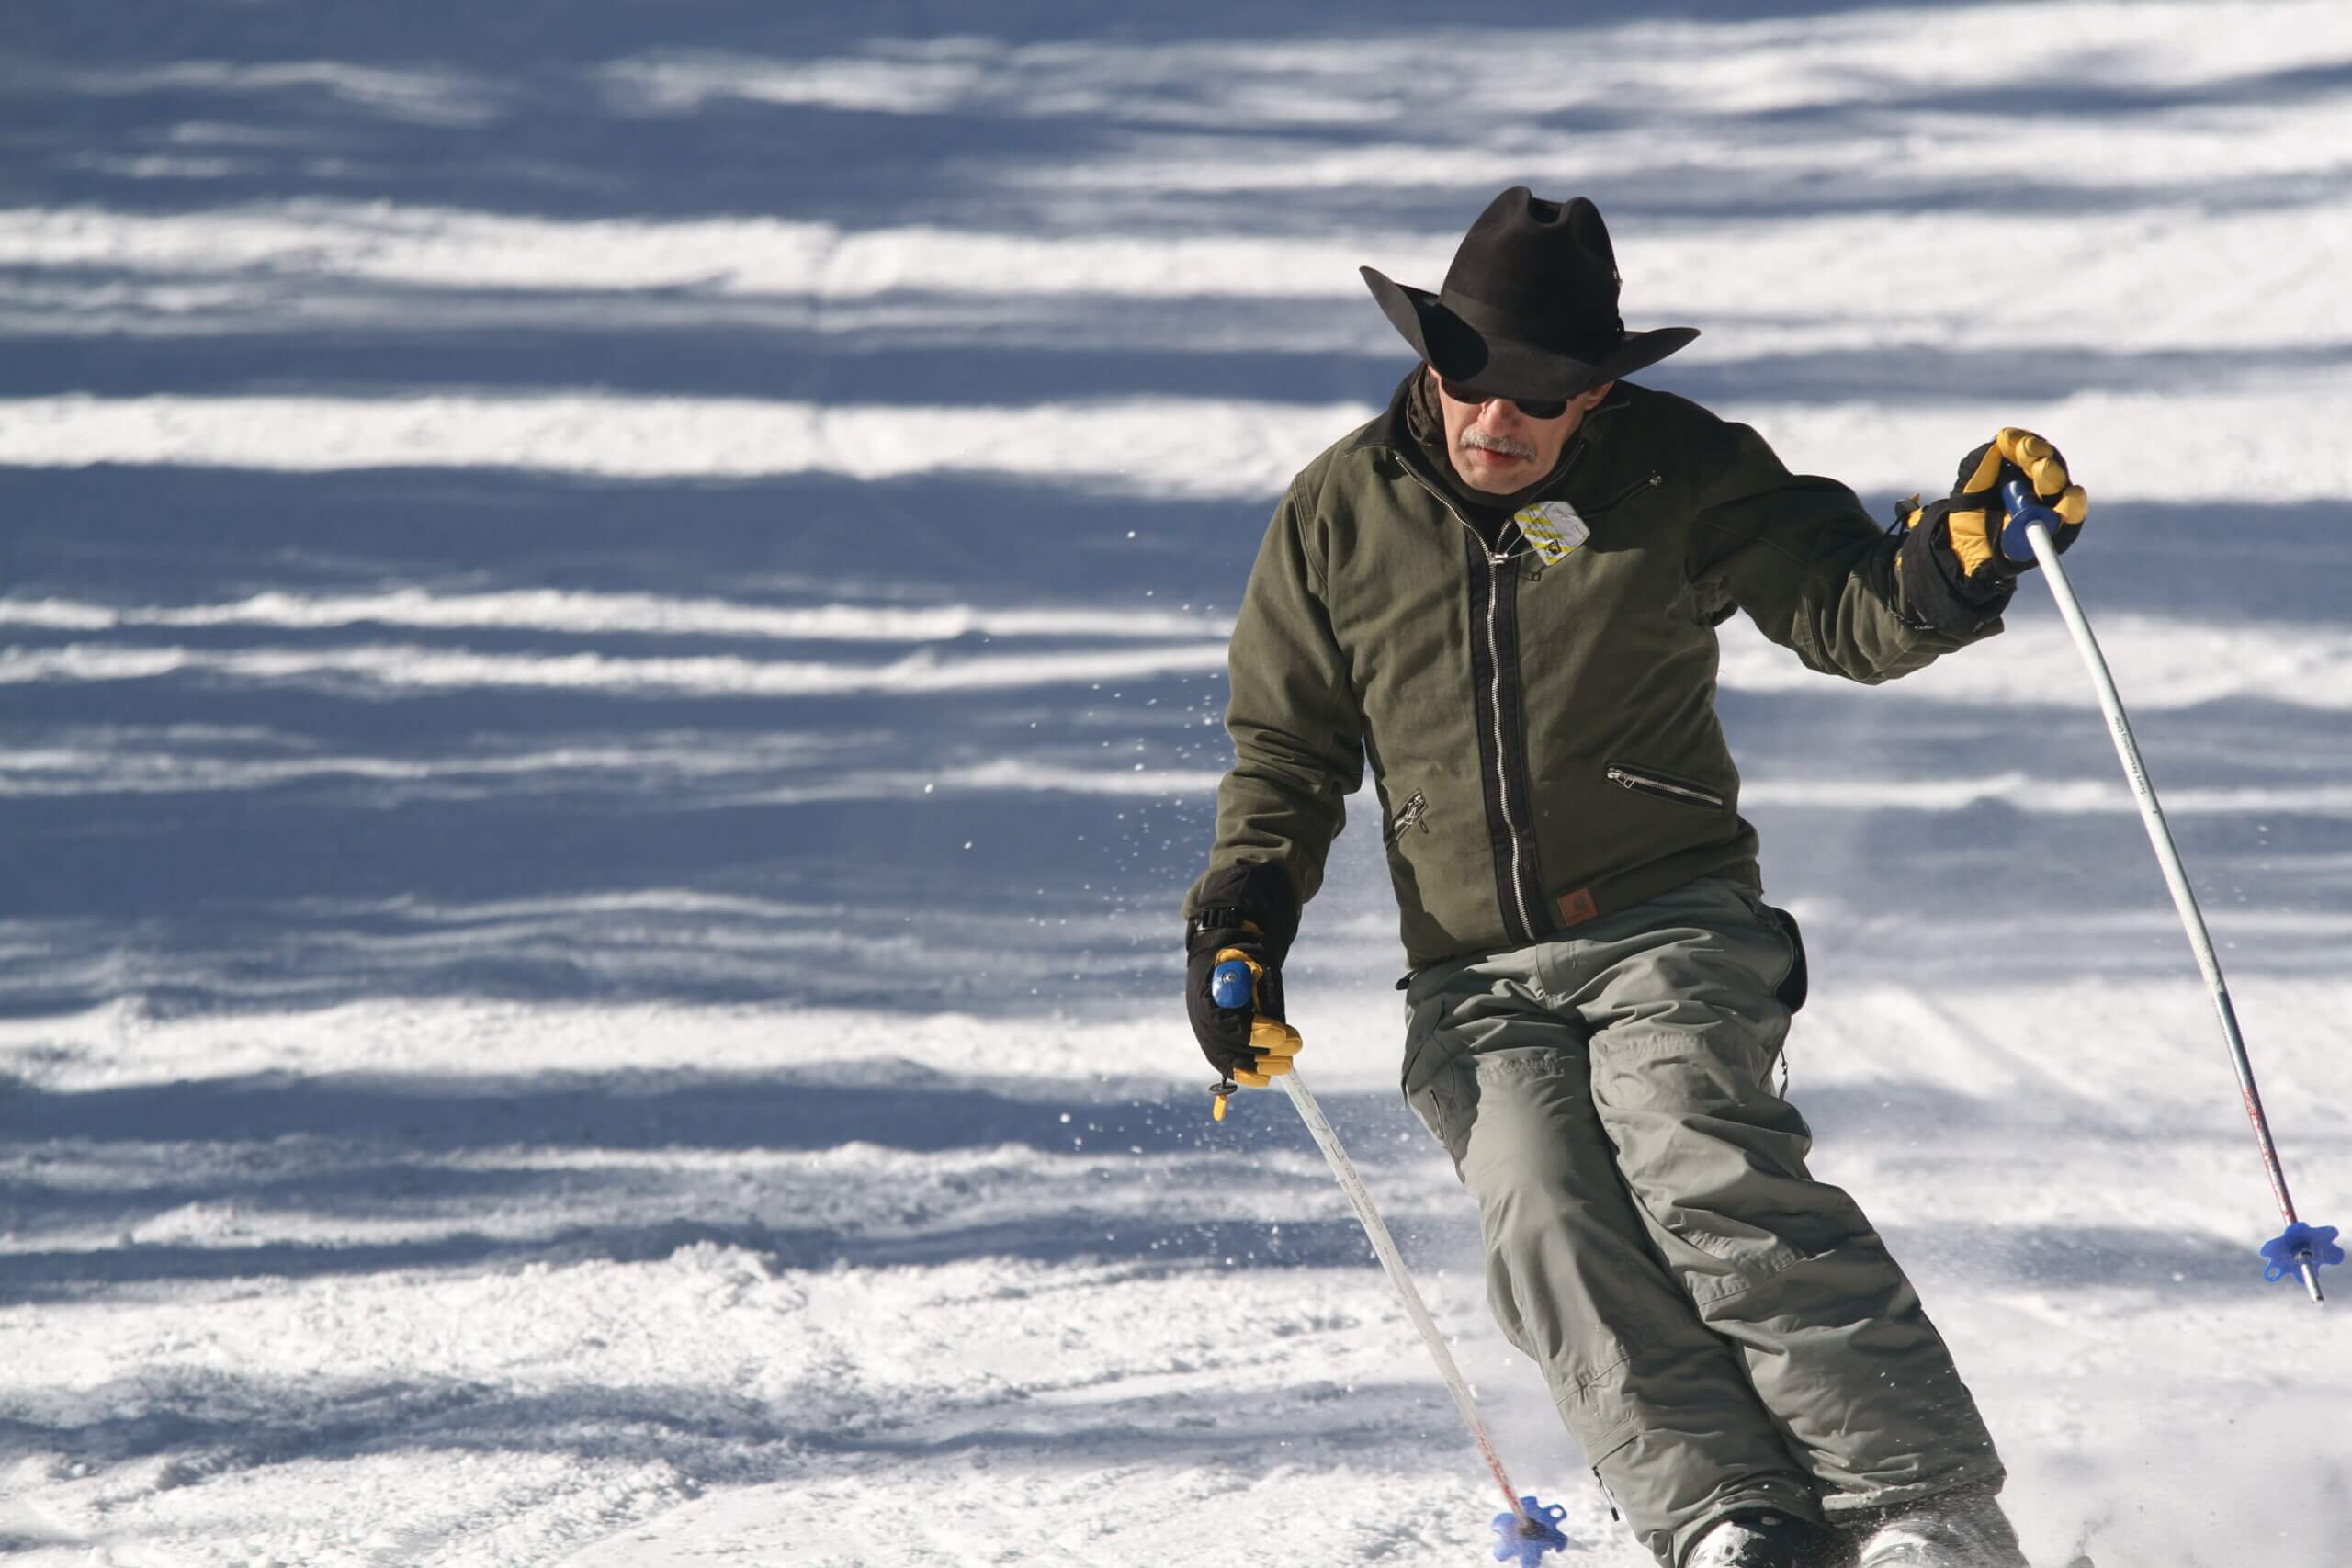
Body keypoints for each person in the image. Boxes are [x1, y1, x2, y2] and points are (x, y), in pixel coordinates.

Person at [1180, 188, 2089, 1568]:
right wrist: (1240, 920)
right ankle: (1732, 1514)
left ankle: (1919, 1505)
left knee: (1692, 1153)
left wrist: (1942, 574)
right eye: (1469, 381)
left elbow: (1840, 603)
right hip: (1473, 970)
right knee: (1545, 1212)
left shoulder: (1681, 471)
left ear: (1595, 395)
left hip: (1670, 918)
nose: (1496, 423)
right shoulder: (1337, 515)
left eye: (1537, 400)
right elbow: (1287, 751)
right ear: (1432, 360)